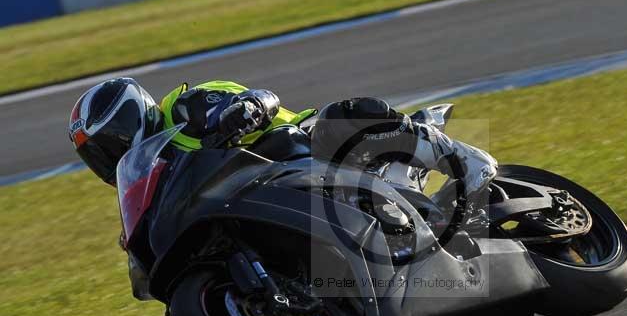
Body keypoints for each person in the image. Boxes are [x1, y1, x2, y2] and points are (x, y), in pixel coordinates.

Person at [67, 78, 497, 201]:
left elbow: (263, 98)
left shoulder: (188, 106)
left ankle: (461, 157)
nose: (112, 157)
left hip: (309, 150)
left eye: (112, 144)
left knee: (340, 117)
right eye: (100, 156)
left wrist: (244, 112)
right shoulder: (158, 177)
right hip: (278, 198)